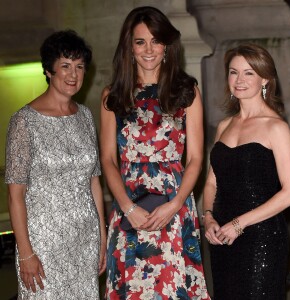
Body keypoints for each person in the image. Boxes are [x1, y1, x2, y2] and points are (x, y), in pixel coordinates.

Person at [100, 6, 211, 300]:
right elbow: (109, 160)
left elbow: (196, 159)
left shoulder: (186, 92)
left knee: (174, 289)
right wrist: (128, 208)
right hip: (129, 210)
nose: (149, 50)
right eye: (140, 42)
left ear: (166, 45)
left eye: (155, 41)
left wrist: (175, 205)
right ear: (129, 47)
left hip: (174, 208)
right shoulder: (113, 95)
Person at [5, 29, 107, 299]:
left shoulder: (85, 116)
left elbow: (94, 181)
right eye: (65, 66)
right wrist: (25, 253)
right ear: (49, 70)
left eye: (79, 67)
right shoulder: (24, 122)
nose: (73, 75)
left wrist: (102, 237)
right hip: (43, 246)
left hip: (85, 239)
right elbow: (15, 196)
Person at [202, 43, 290, 300]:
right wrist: (209, 217)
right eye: (234, 72)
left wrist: (239, 223)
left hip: (262, 238)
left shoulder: (275, 127)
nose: (239, 80)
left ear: (265, 79)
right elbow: (212, 182)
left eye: (249, 73)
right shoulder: (224, 125)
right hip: (222, 237)